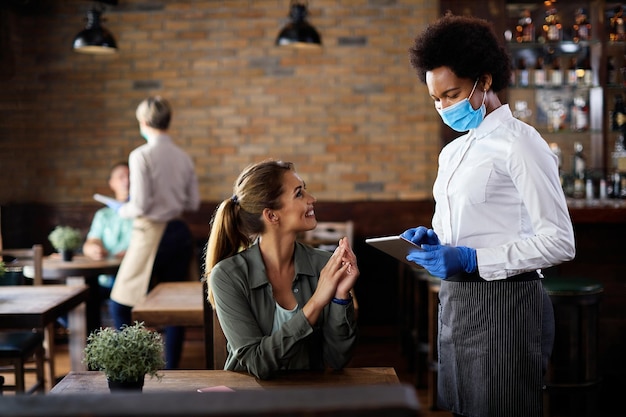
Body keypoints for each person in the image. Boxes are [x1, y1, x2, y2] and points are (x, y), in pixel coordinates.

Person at [402, 14, 575, 417]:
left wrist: (473, 258)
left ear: (485, 80)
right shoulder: (454, 152)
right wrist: (437, 241)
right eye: (435, 98)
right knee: (462, 408)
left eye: (452, 93)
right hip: (458, 303)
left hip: (507, 307)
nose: (443, 106)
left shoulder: (521, 144)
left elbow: (560, 241)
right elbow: (464, 231)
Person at [204, 160, 359, 380]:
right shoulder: (228, 275)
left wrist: (341, 297)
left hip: (309, 401)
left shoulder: (324, 265)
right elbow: (257, 363)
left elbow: (337, 359)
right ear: (271, 215)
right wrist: (315, 303)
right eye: (299, 194)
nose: (312, 199)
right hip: (248, 402)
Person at [107, 96, 201, 369]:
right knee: (175, 308)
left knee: (120, 304)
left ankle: (128, 368)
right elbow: (192, 203)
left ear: (144, 122)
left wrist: (120, 210)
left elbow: (140, 205)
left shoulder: (141, 155)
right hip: (179, 232)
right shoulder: (183, 157)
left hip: (151, 233)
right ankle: (171, 371)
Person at [83, 161, 133, 295]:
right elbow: (91, 242)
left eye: (131, 176)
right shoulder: (103, 215)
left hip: (133, 275)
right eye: (121, 177)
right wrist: (94, 249)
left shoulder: (145, 214)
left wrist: (133, 252)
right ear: (112, 183)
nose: (127, 180)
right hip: (105, 277)